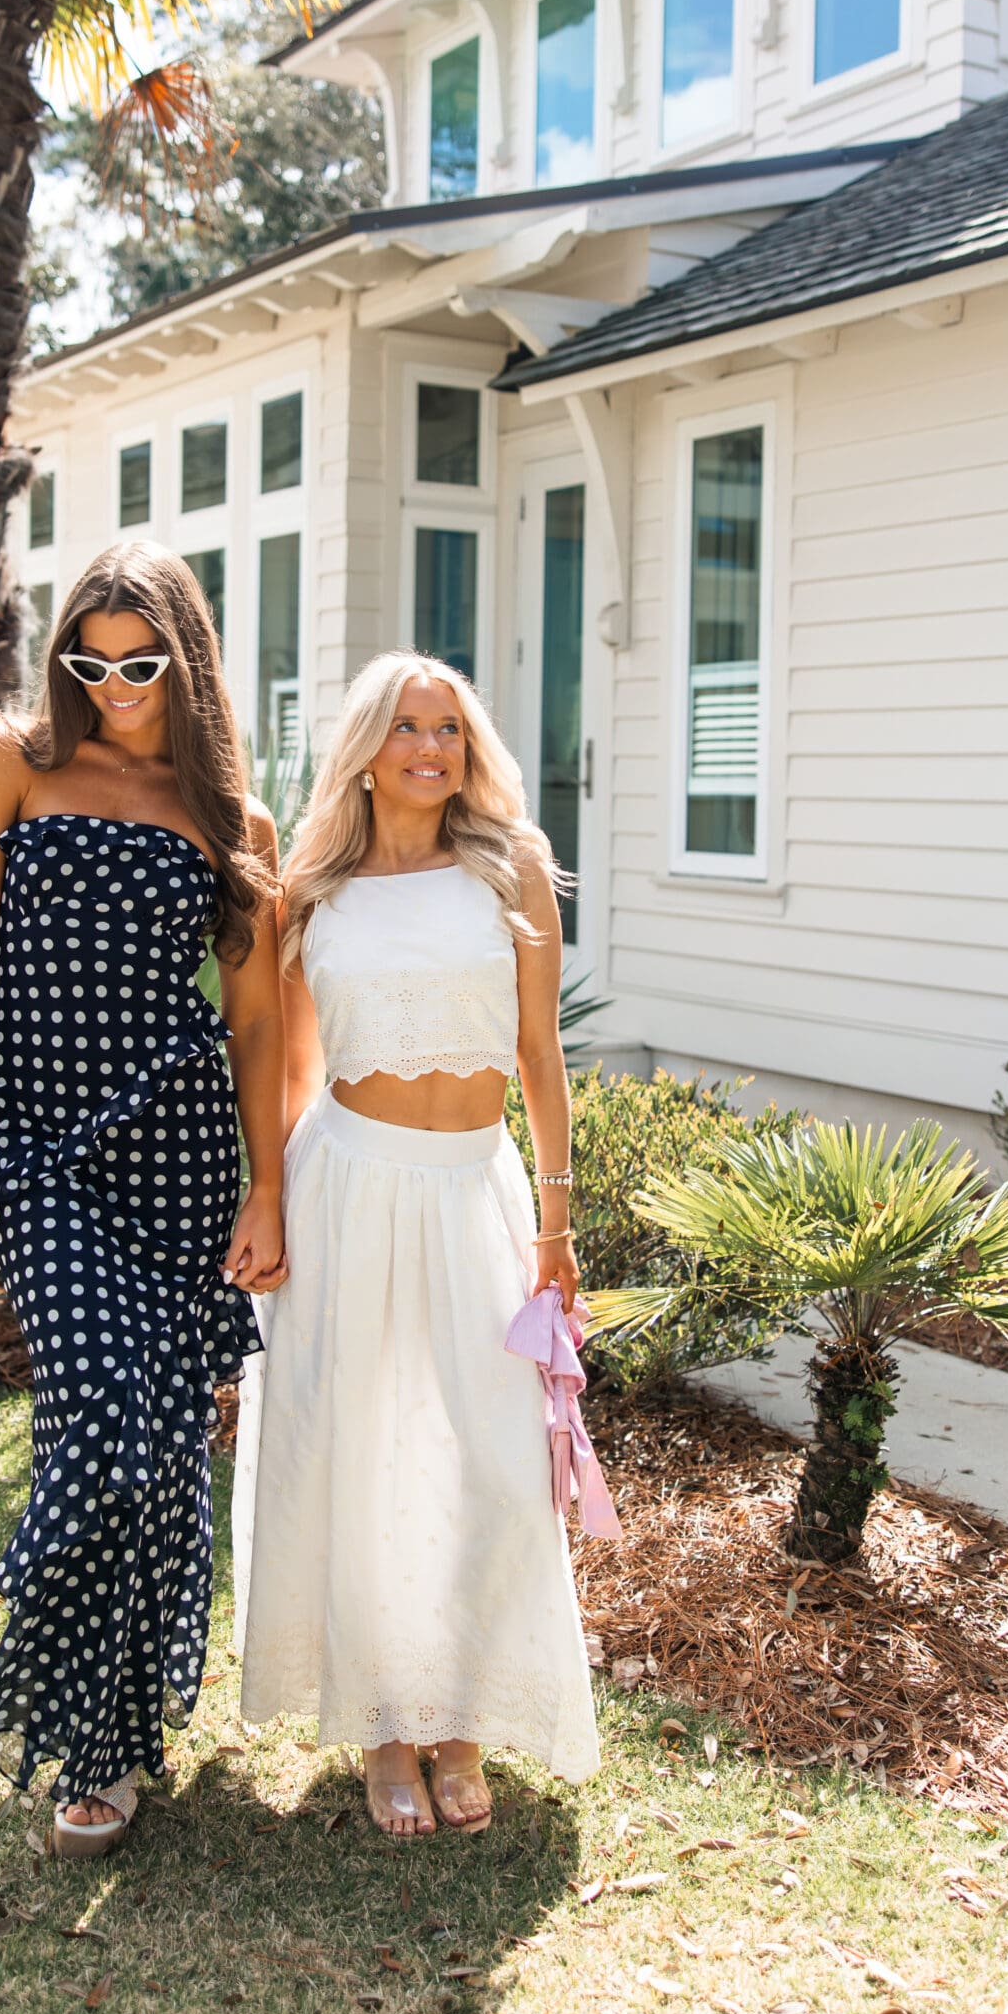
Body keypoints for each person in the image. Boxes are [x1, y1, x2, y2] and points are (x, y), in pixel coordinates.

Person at [0, 541, 287, 1858]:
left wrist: (270, 1190)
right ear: (61, 654)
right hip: (34, 1144)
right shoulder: (8, 763)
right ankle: (74, 1702)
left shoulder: (229, 820)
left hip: (180, 1154)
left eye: (142, 663)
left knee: (163, 1443)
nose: (115, 684)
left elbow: (253, 1027)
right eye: (90, 658)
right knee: (93, 1414)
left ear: (183, 662)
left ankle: (113, 1738)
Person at [233, 651, 600, 1837]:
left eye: (449, 727)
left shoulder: (515, 870)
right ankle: (389, 1725)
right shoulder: (313, 889)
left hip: (471, 1191)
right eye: (406, 727)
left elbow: (540, 1059)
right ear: (366, 748)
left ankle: (465, 1722)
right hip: (347, 1189)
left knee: (487, 1456)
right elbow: (289, 1070)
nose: (431, 748)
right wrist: (271, 1203)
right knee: (370, 1452)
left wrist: (557, 1222)